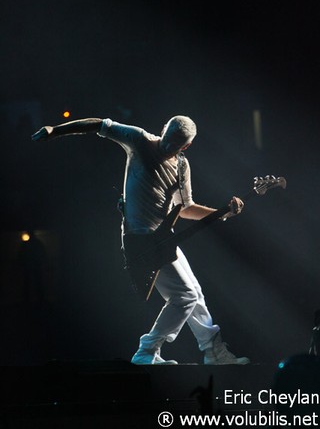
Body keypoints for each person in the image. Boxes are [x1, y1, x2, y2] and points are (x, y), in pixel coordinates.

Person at [32, 115, 250, 365]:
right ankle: (147, 351)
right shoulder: (139, 140)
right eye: (168, 140)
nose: (169, 147)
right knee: (185, 296)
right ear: (163, 129)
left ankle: (213, 351)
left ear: (186, 146)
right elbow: (98, 125)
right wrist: (55, 130)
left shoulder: (181, 167)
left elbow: (186, 207)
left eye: (176, 145)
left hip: (162, 238)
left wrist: (222, 213)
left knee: (195, 293)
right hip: (140, 239)